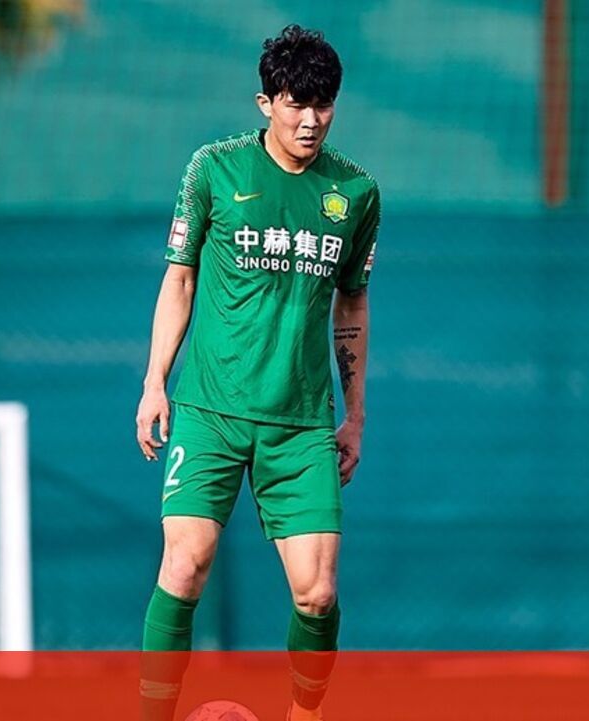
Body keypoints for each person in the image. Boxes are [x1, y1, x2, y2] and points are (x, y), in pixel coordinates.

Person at [135, 24, 380, 721]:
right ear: (265, 102)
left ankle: (306, 714)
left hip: (300, 424)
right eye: (296, 103)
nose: (310, 120)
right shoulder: (215, 169)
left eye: (323, 104)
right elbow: (180, 280)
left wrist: (355, 414)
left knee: (318, 593)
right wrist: (155, 382)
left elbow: (353, 302)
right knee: (184, 565)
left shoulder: (356, 192)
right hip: (210, 410)